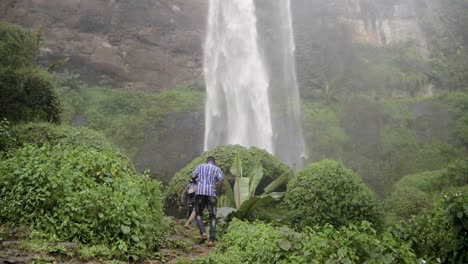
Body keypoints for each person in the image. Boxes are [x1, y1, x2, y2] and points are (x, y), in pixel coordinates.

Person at [192, 156, 223, 247]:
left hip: (200, 193)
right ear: (214, 162)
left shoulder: (200, 166)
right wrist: (218, 194)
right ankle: (211, 241)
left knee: (198, 214)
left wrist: (196, 182)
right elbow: (221, 181)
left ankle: (203, 233)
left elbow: (193, 176)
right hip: (211, 194)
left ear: (207, 161)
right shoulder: (217, 169)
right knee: (212, 217)